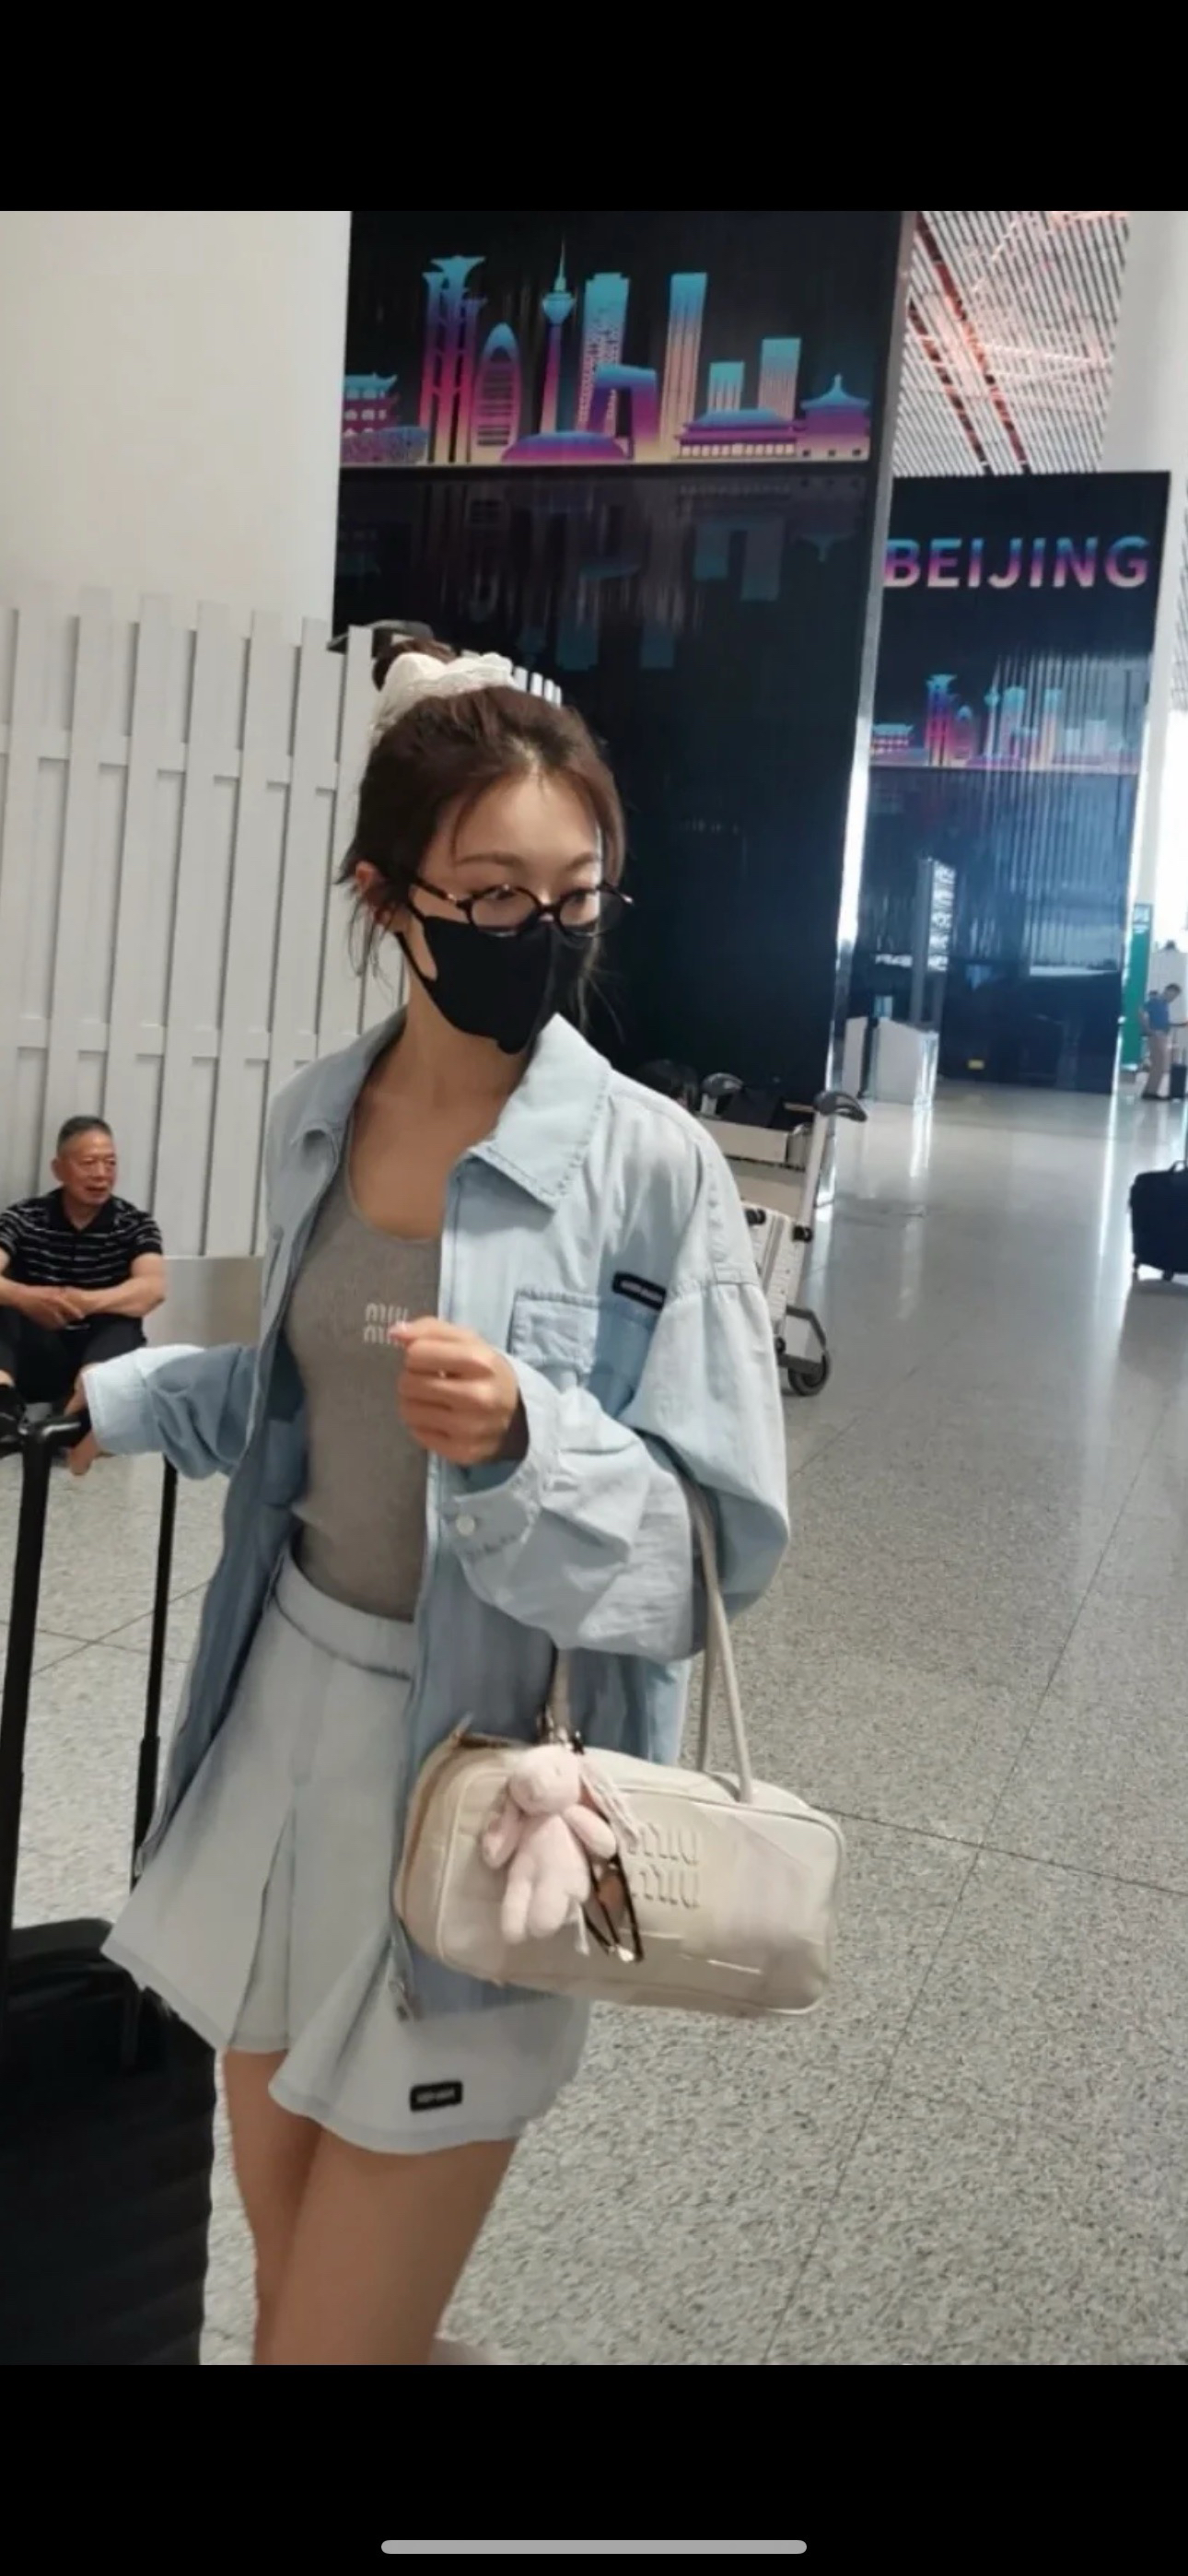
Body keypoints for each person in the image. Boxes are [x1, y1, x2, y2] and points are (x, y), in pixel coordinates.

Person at [66, 638, 789, 2368]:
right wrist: (120, 1397)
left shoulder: (650, 1168)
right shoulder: (320, 1117)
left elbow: (718, 1547)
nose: (537, 932)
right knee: (288, 2298)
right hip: (273, 1731)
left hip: (488, 1777)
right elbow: (299, 1397)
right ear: (386, 896)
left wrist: (533, 1437)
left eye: (573, 895)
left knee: (321, 2346)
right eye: (492, 895)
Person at [0, 1118, 165, 1437]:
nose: (101, 1174)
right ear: (59, 1169)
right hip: (35, 1353)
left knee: (123, 1318)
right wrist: (26, 1298)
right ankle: (2, 1406)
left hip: (98, 1352)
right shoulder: (24, 1217)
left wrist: (85, 1301)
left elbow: (153, 1288)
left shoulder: (135, 1224)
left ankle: (89, 1405)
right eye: (89, 1163)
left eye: (110, 1163)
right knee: (5, 1306)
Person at [1140, 983, 1182, 1099]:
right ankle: (1151, 1092)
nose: (1173, 999)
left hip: (1162, 1035)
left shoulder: (1164, 1004)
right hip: (1156, 1036)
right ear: (1167, 990)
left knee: (1158, 1065)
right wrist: (1148, 1030)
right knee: (1159, 1065)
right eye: (1173, 995)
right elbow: (1141, 1012)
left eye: (1175, 997)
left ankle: (1150, 1090)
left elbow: (1162, 1021)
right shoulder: (1156, 1001)